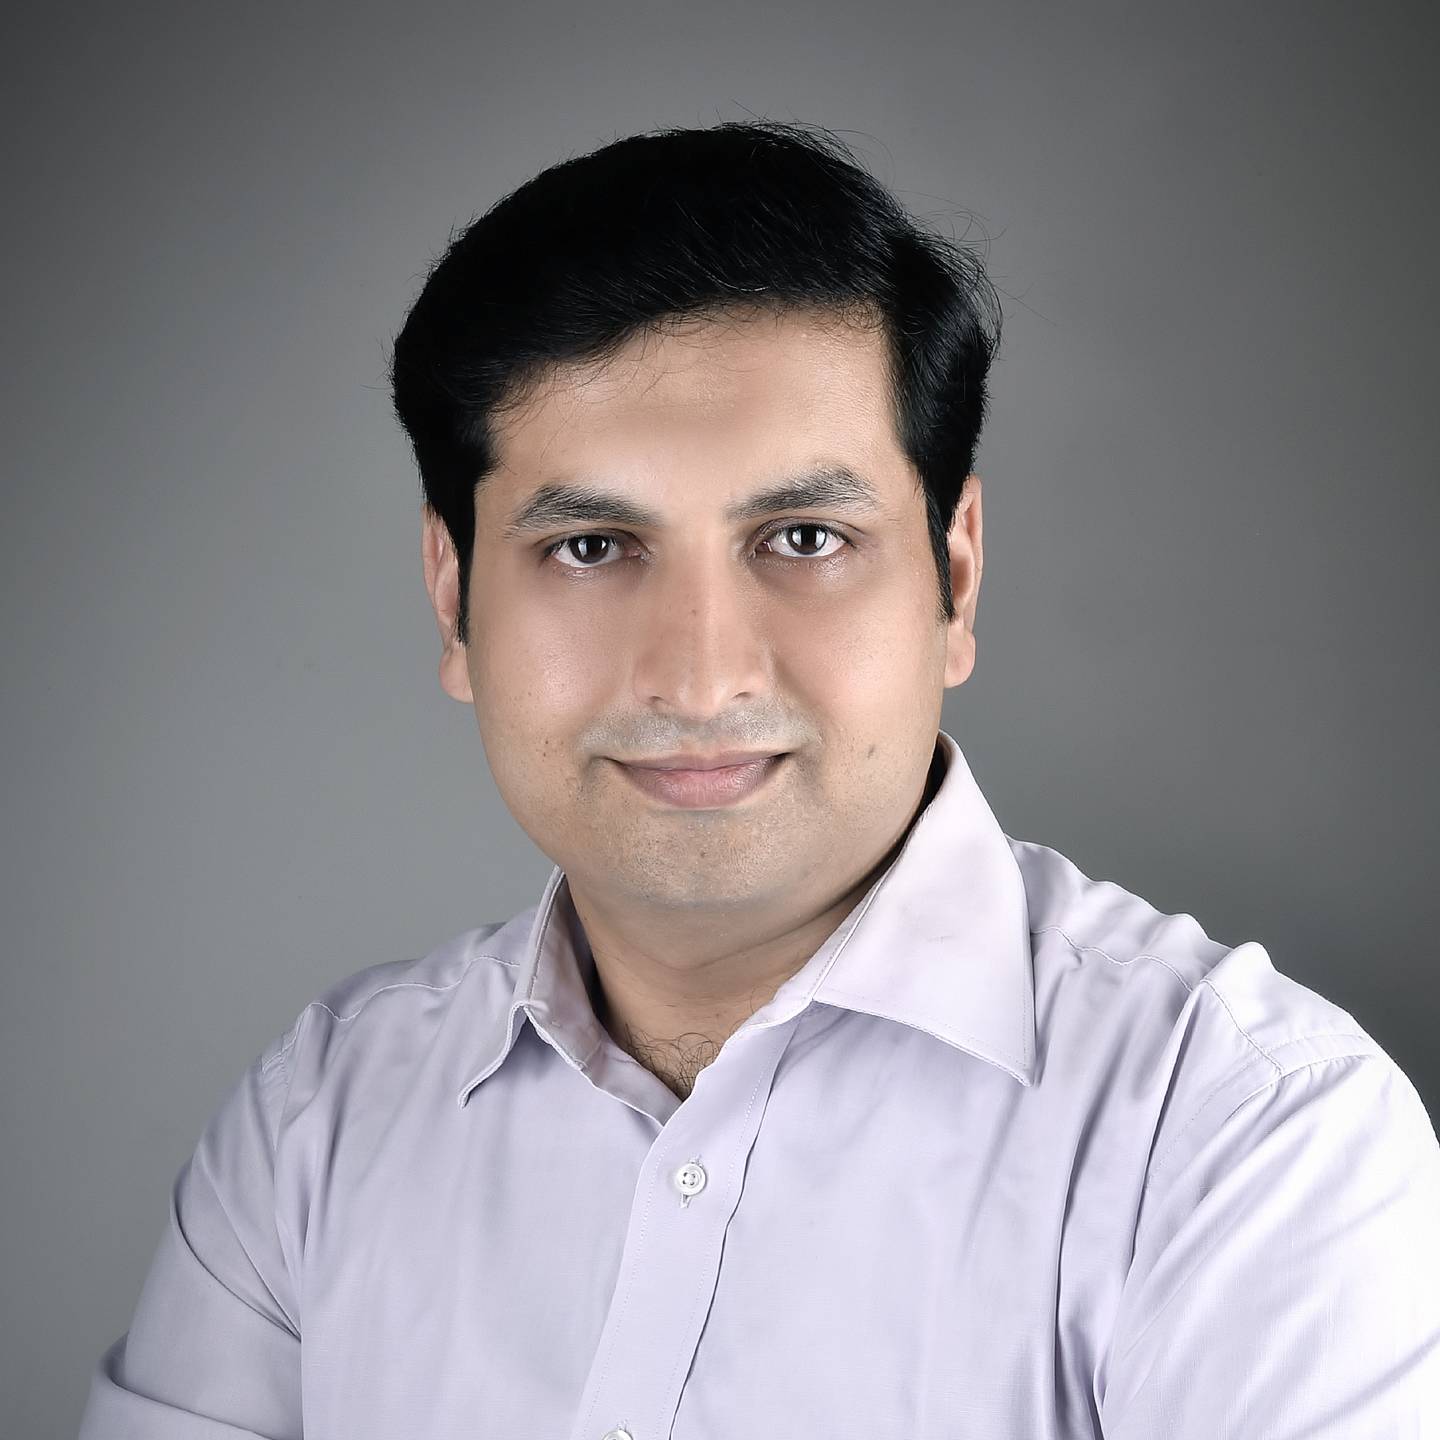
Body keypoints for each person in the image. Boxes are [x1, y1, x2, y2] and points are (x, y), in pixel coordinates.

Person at [78, 120, 1440, 1439]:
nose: (700, 676)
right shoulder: (318, 1125)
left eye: (803, 536)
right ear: (452, 598)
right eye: (592, 548)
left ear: (956, 575)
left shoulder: (1245, 1139)